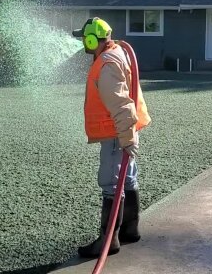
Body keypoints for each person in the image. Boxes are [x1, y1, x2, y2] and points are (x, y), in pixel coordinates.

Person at [72, 17, 151, 258]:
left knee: (111, 182)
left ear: (93, 39)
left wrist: (127, 139)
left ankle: (109, 239)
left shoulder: (106, 65)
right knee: (127, 179)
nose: (83, 43)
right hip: (122, 130)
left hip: (116, 132)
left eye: (85, 38)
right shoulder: (117, 53)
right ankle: (129, 229)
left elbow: (122, 105)